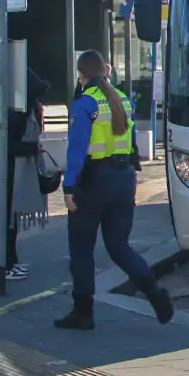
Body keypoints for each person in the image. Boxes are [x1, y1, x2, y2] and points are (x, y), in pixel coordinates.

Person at [55, 50, 173, 330]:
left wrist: (69, 186)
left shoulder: (85, 104)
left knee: (82, 249)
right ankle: (157, 296)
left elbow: (77, 150)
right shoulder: (122, 99)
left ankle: (83, 312)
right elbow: (131, 146)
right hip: (124, 179)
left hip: (94, 181)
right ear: (105, 71)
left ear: (81, 74)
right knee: (119, 246)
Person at [5, 68, 51, 281]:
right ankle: (7, 264)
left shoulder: (27, 111)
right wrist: (32, 149)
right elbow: (8, 146)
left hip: (20, 170)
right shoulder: (17, 113)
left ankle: (11, 261)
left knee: (11, 221)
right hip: (12, 173)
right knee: (8, 221)